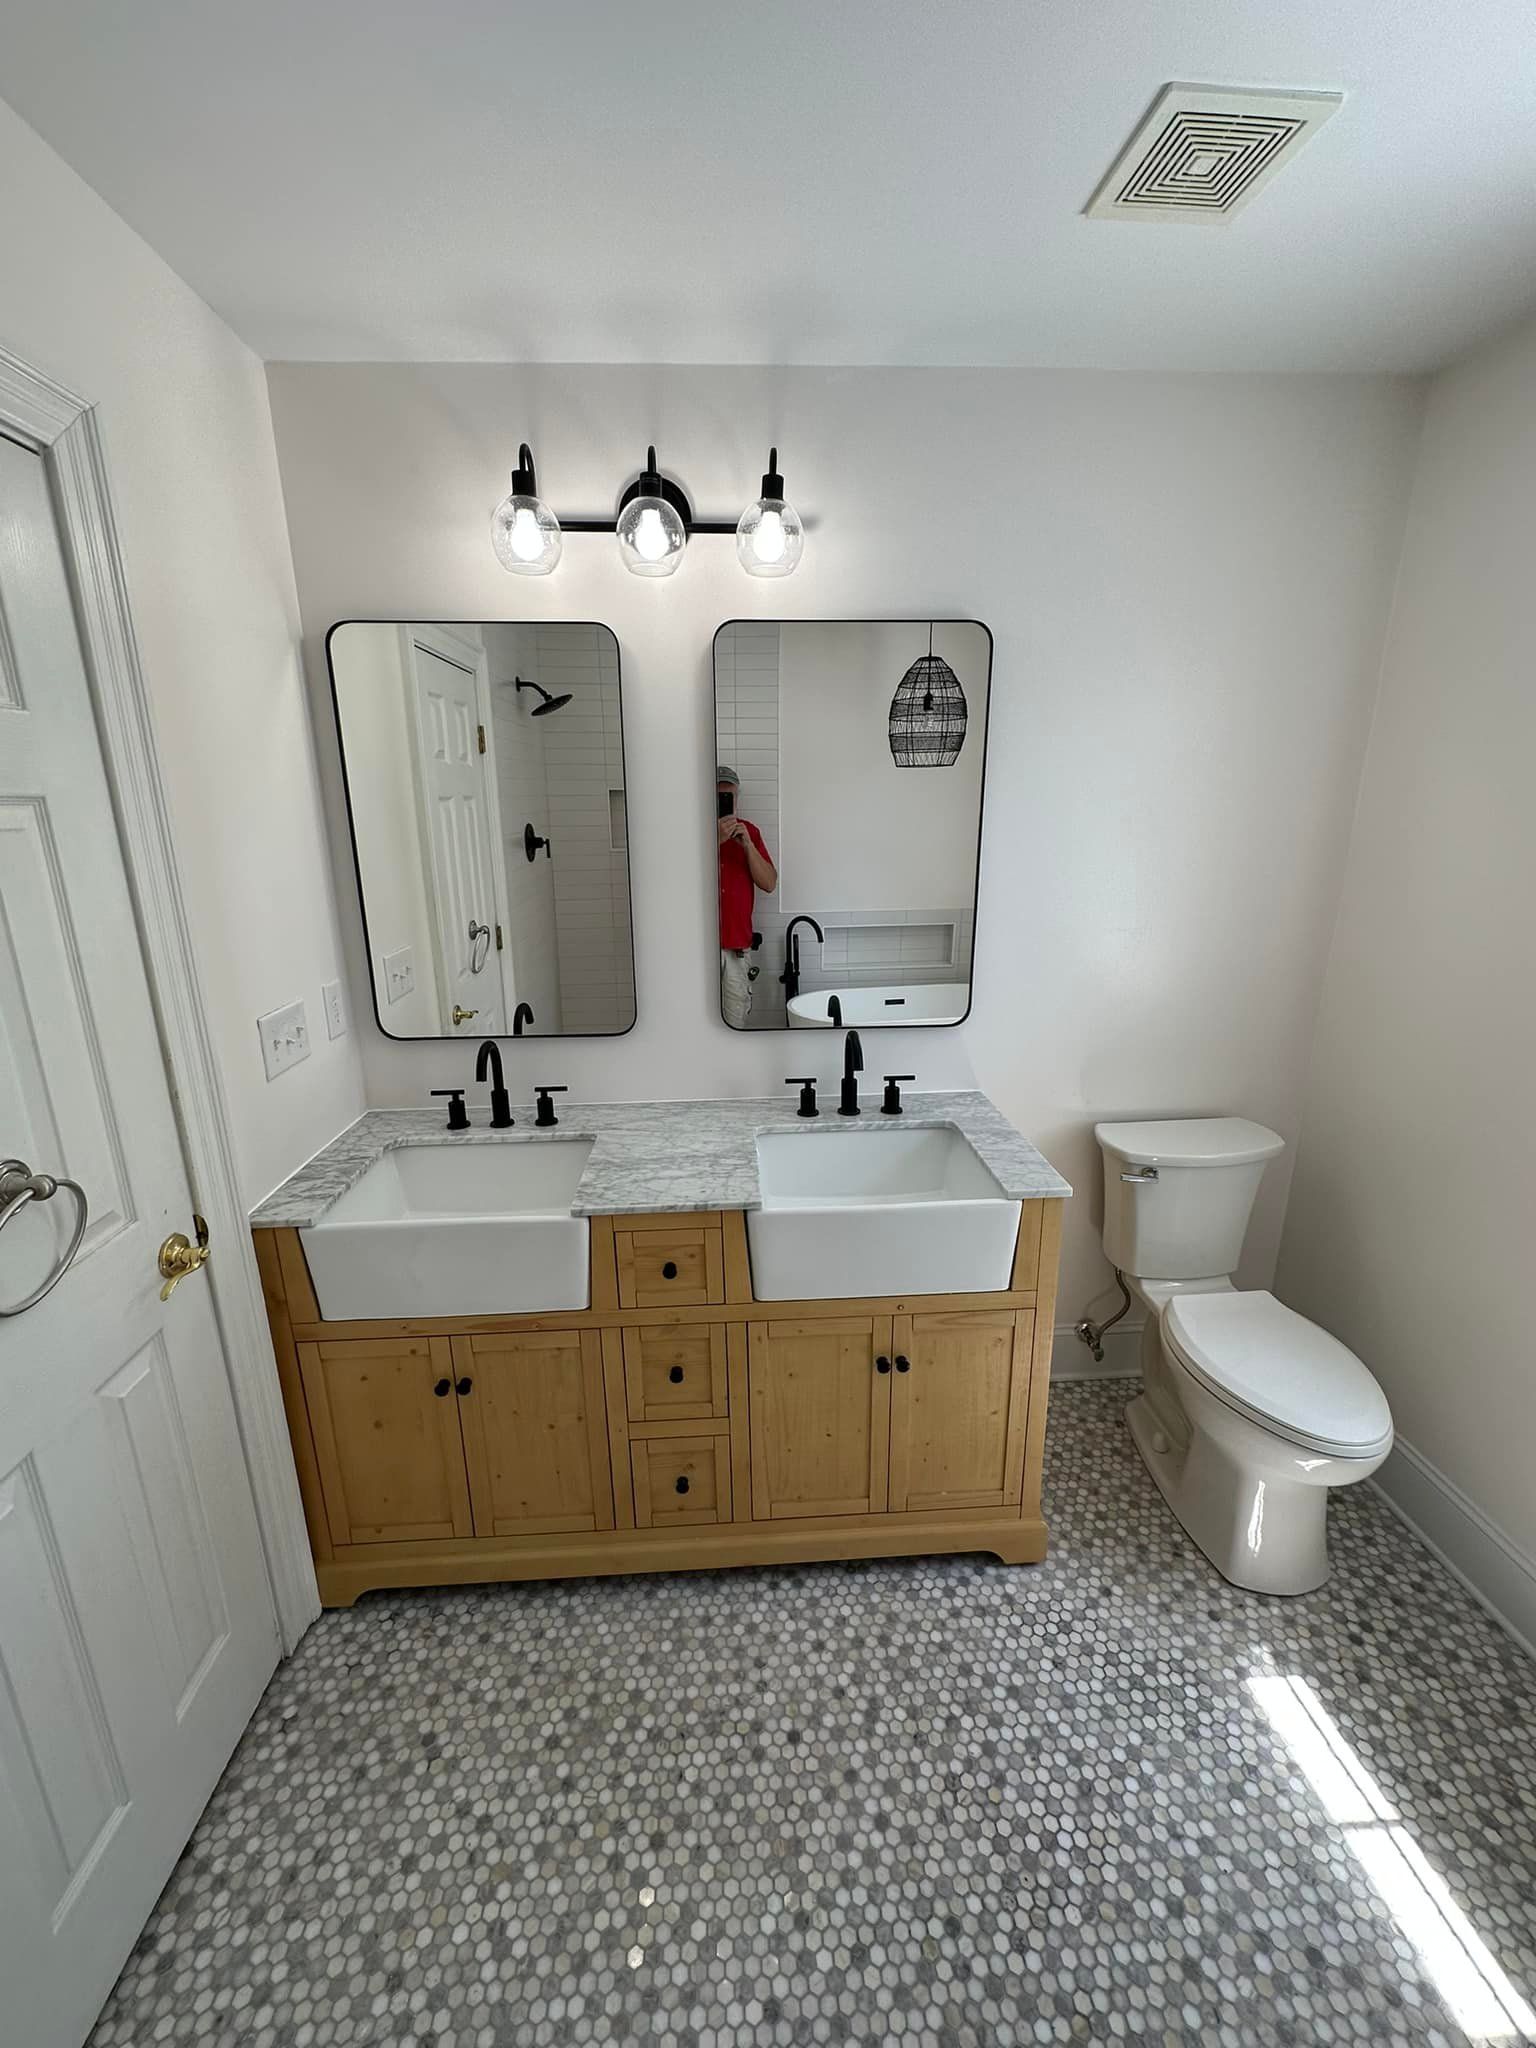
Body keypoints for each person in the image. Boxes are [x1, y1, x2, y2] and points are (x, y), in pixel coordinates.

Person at [717, 764, 777, 1026]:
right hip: (694, 950)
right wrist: (715, 840)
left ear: (737, 799)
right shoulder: (691, 834)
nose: (725, 801)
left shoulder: (749, 831)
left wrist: (748, 846)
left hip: (736, 951)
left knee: (734, 1025)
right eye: (719, 796)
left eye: (729, 796)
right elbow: (674, 880)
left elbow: (769, 883)